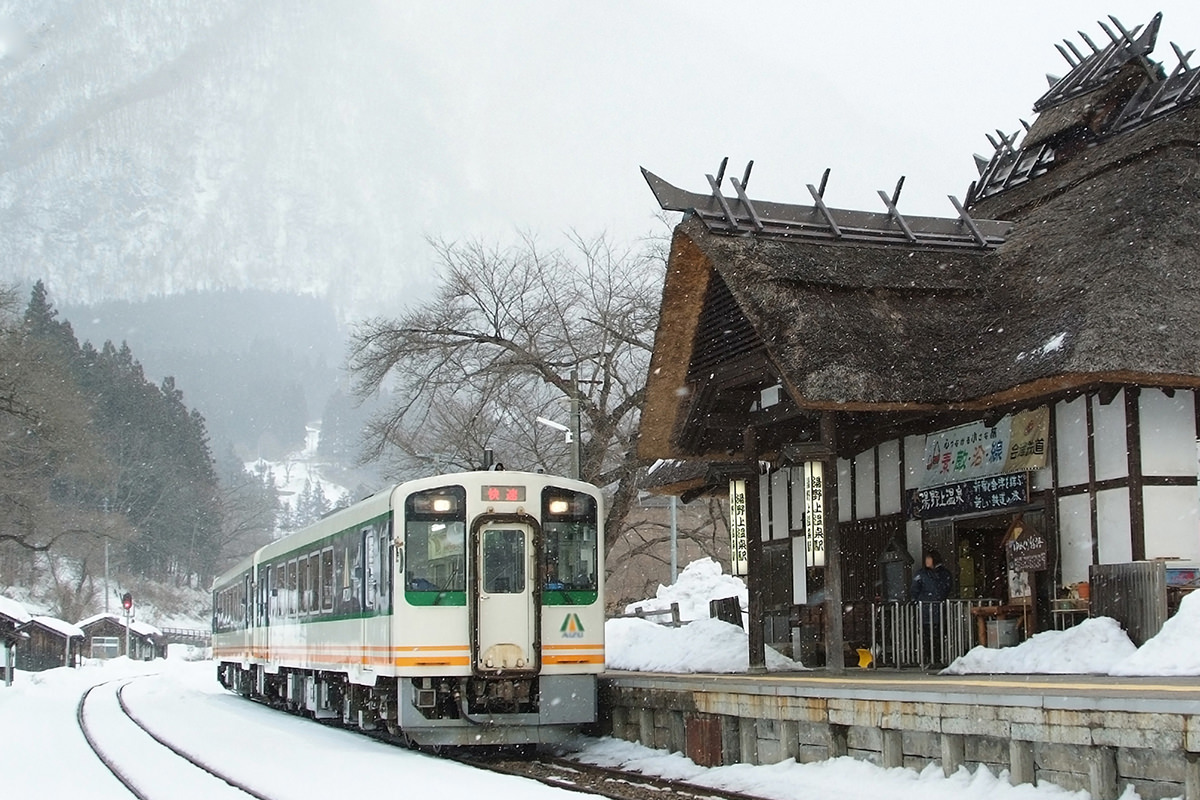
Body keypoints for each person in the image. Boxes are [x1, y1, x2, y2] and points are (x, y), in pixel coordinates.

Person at [910, 549, 952, 666]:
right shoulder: (922, 574)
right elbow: (914, 589)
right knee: (927, 636)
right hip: (926, 610)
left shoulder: (942, 574)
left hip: (934, 609)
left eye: (929, 558)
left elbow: (946, 588)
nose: (927, 561)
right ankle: (930, 658)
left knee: (937, 635)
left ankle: (936, 658)